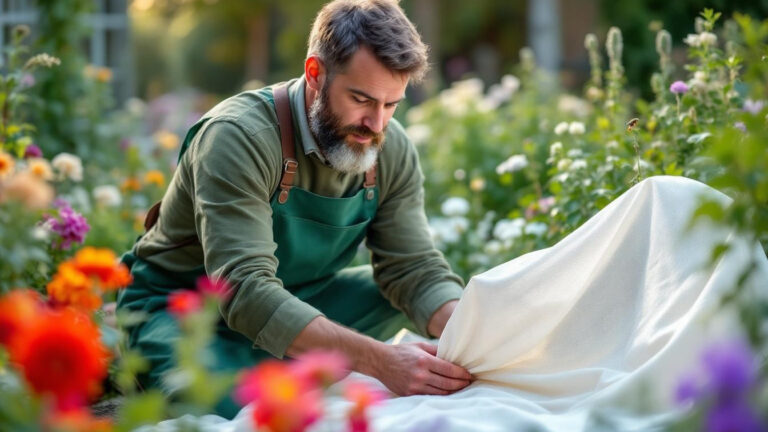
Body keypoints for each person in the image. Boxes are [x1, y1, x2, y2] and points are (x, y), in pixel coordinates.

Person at [117, 0, 472, 418]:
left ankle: (302, 356)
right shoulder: (237, 138)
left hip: (299, 299)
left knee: (406, 298)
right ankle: (287, 367)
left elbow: (414, 269)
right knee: (236, 410)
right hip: (187, 313)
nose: (376, 125)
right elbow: (244, 290)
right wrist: (379, 360)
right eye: (361, 99)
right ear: (315, 74)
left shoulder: (390, 148)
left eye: (391, 104)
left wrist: (469, 338)